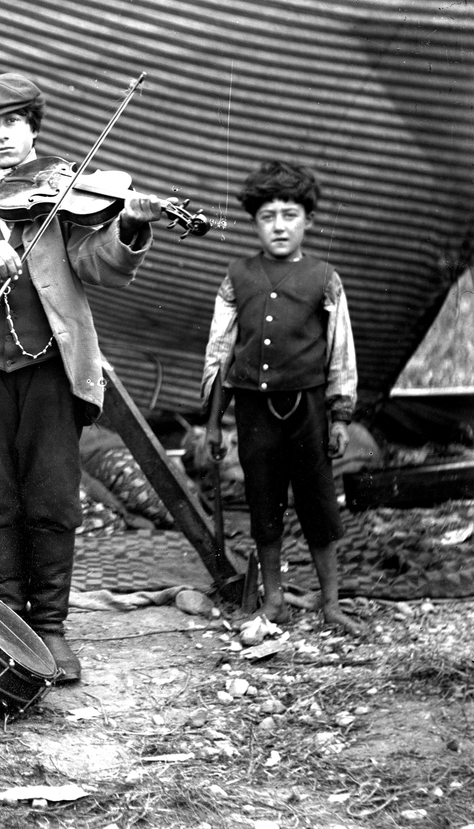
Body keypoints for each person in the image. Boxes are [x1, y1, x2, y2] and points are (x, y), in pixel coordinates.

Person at [0, 72, 166, 683]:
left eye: (14, 124)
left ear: (33, 129)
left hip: (49, 368)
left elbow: (102, 265)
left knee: (50, 495)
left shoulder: (63, 199)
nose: (4, 136)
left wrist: (132, 226)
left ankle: (50, 626)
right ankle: (9, 620)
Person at [202, 160, 363, 637]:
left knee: (318, 504)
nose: (279, 225)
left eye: (289, 215)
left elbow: (341, 352)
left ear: (308, 220)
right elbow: (220, 352)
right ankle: (274, 602)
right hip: (254, 413)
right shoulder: (236, 278)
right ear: (254, 222)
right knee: (263, 501)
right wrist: (213, 423)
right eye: (268, 215)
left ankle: (331, 604)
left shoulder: (325, 279)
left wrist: (340, 416)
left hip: (309, 411)